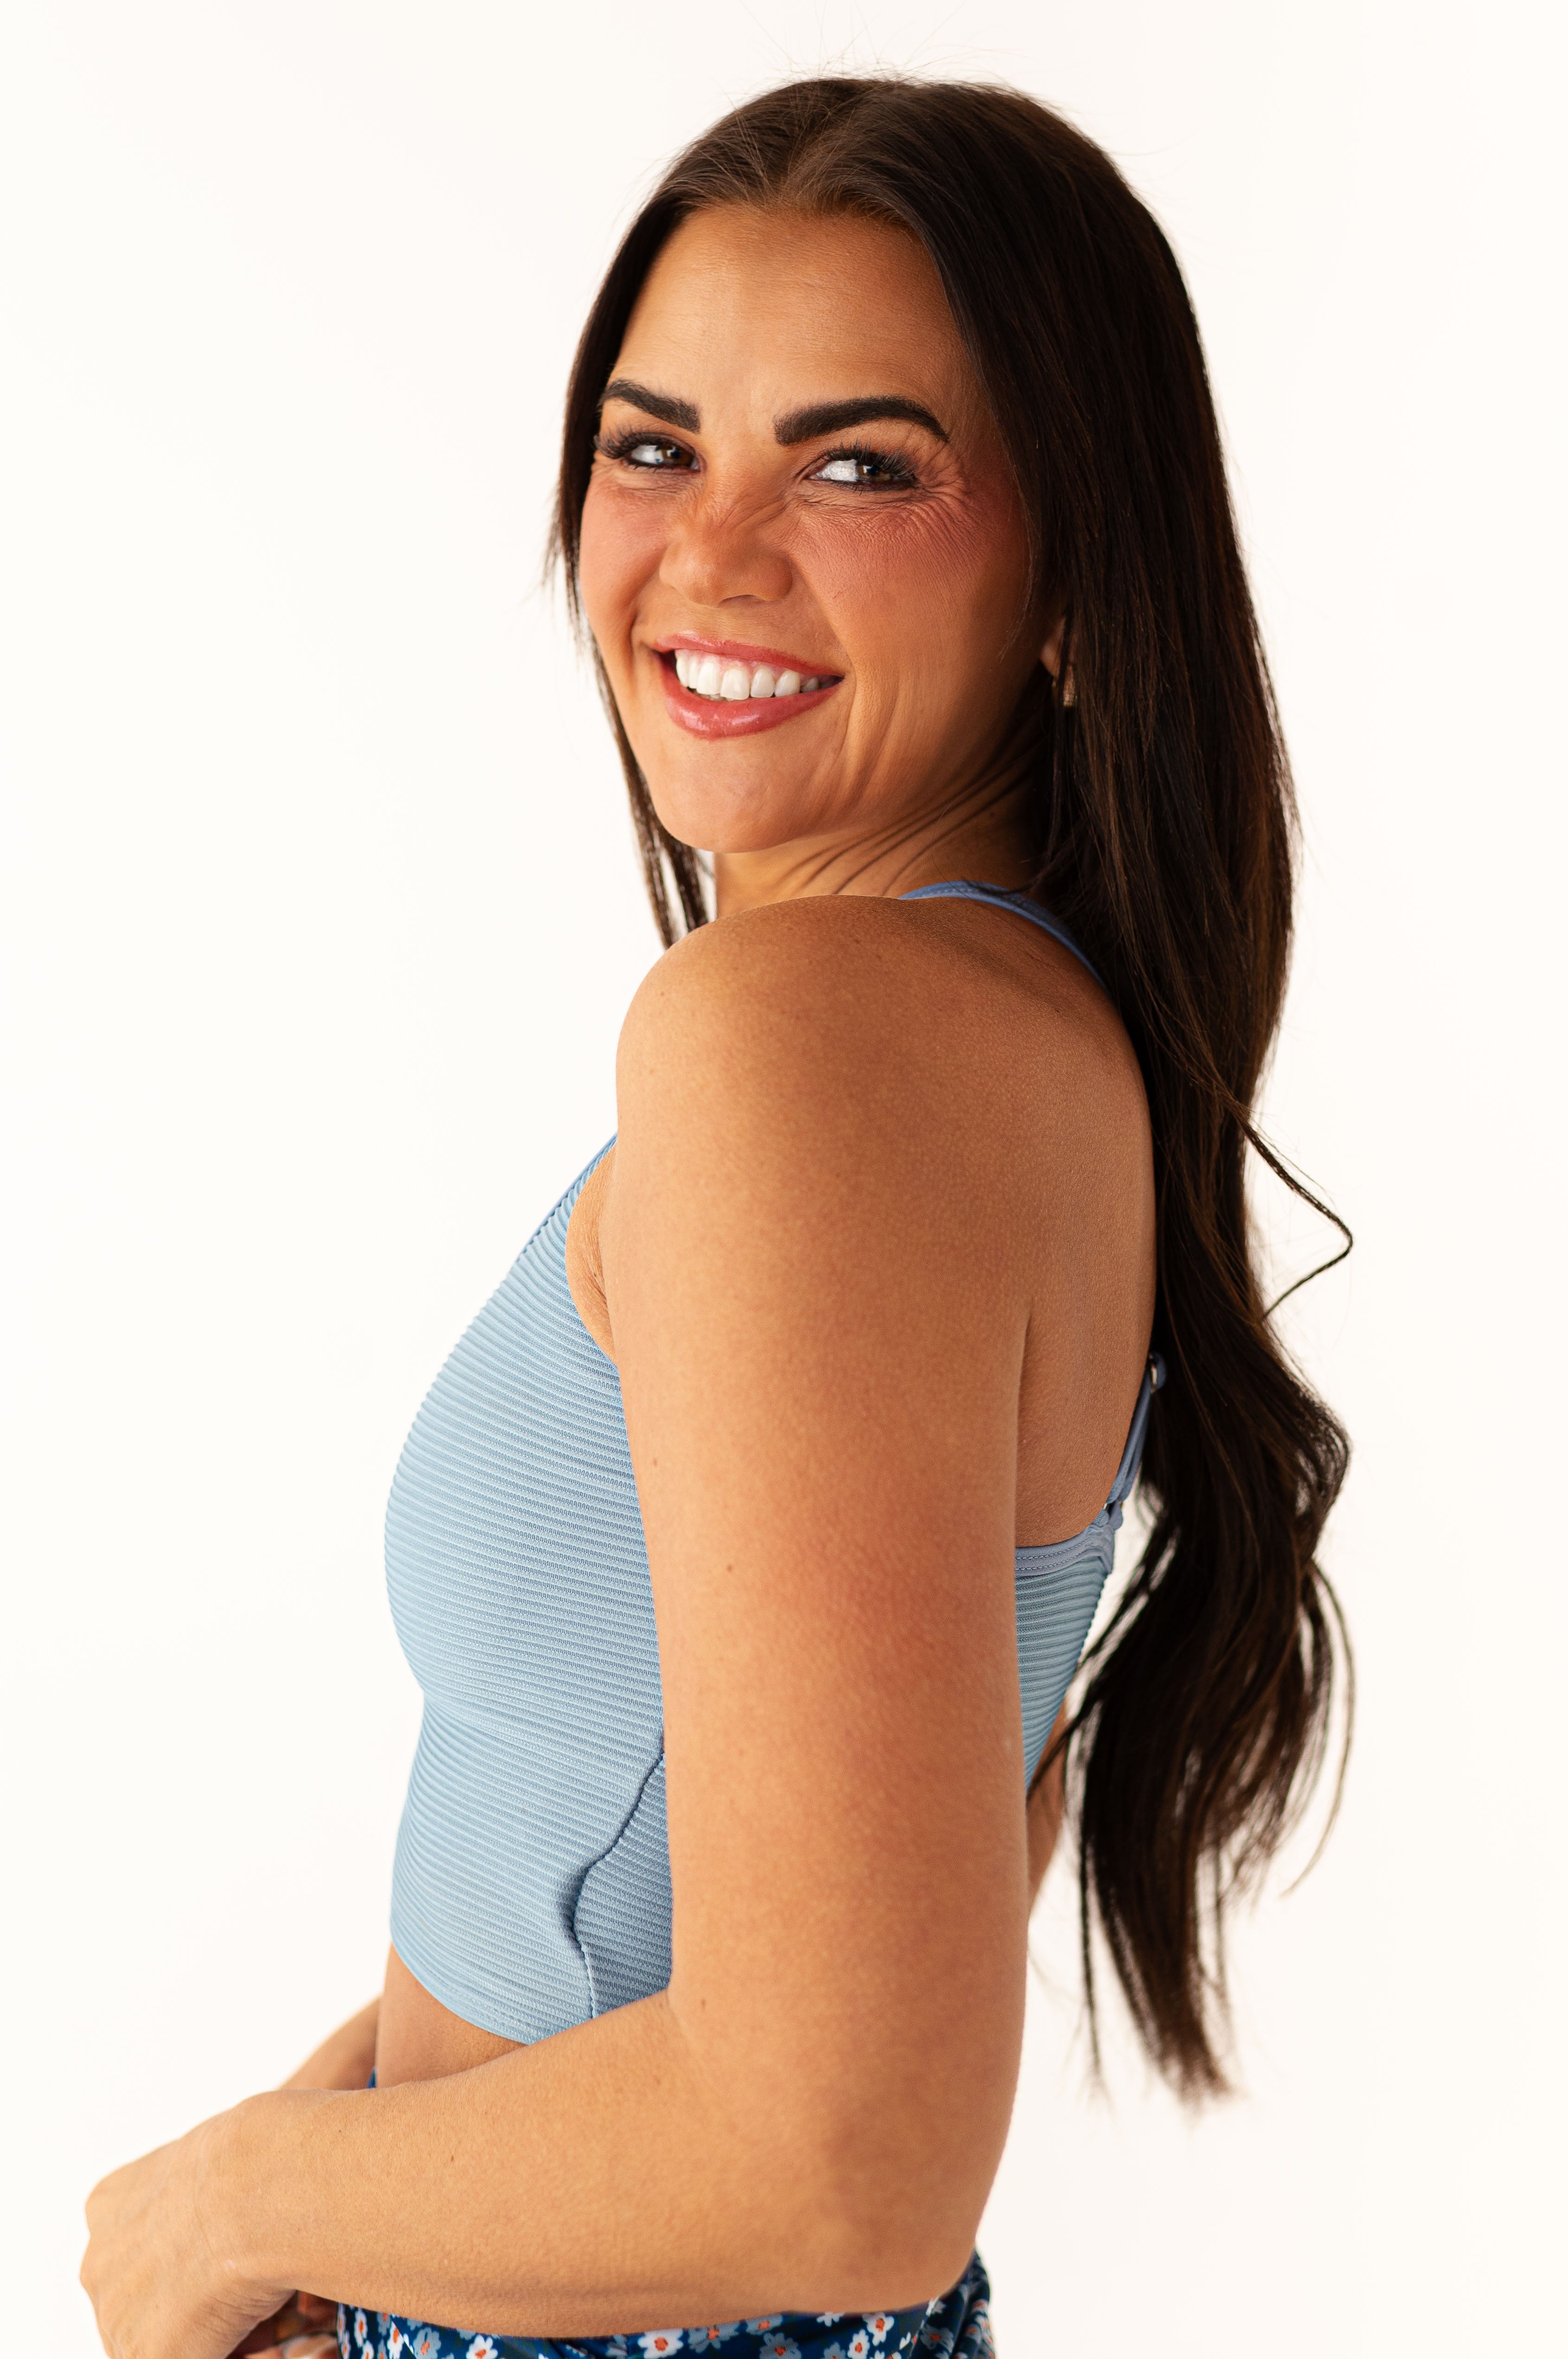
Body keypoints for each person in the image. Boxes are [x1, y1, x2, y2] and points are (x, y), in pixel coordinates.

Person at [81, 74, 1349, 2359]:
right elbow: (801, 1861)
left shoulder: (802, 1040)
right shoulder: (1019, 1033)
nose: (713, 550)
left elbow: (836, 2157)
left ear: (1079, 581)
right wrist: (348, 2204)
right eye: (653, 446)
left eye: (858, 466)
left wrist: (224, 2201)